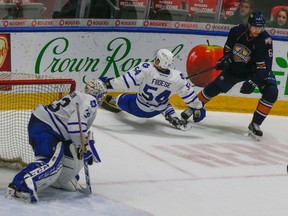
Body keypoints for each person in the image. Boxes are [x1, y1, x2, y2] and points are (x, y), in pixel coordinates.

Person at [5, 79, 107, 202]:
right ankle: (20, 185)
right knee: (49, 162)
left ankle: (61, 179)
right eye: (103, 96)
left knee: (69, 153)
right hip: (47, 127)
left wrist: (85, 145)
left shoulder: (80, 96)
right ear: (98, 94)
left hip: (45, 124)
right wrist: (84, 146)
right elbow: (75, 127)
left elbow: (75, 130)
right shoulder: (90, 100)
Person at [181, 12, 278, 139]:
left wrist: (253, 82)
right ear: (249, 24)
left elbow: (265, 67)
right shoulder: (236, 31)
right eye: (255, 27)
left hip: (256, 71)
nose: (257, 30)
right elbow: (228, 49)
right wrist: (226, 59)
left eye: (260, 28)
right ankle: (193, 107)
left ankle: (255, 123)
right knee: (215, 86)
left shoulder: (265, 40)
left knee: (271, 91)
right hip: (237, 67)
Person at [100, 49, 206, 130]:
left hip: (138, 108)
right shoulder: (177, 77)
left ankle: (114, 101)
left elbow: (125, 82)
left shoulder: (147, 68)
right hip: (157, 110)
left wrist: (107, 83)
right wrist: (199, 107)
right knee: (164, 102)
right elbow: (190, 97)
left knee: (122, 98)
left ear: (158, 60)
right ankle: (172, 116)